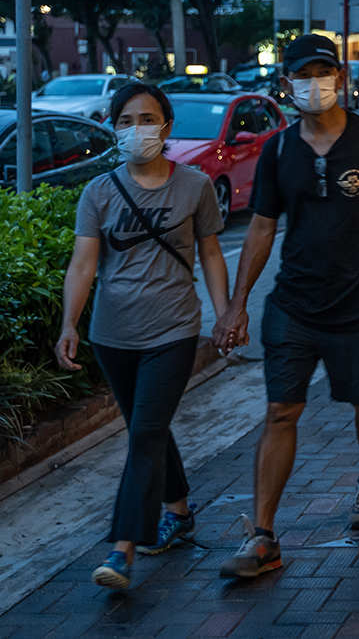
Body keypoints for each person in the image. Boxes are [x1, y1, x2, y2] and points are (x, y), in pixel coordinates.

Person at [214, 35, 359, 579]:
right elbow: (260, 229)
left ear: (342, 78)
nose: (315, 83)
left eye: (325, 71)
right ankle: (262, 536)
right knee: (281, 411)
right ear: (287, 85)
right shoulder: (279, 150)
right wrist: (237, 306)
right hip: (293, 306)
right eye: (304, 74)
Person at [55, 83, 231, 590]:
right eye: (127, 120)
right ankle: (178, 509)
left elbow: (213, 255)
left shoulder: (194, 186)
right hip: (112, 336)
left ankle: (122, 548)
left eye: (148, 119)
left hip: (172, 330)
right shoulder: (99, 192)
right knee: (145, 429)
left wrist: (223, 315)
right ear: (114, 129)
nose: (138, 129)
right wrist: (71, 323)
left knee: (146, 433)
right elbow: (84, 264)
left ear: (167, 125)